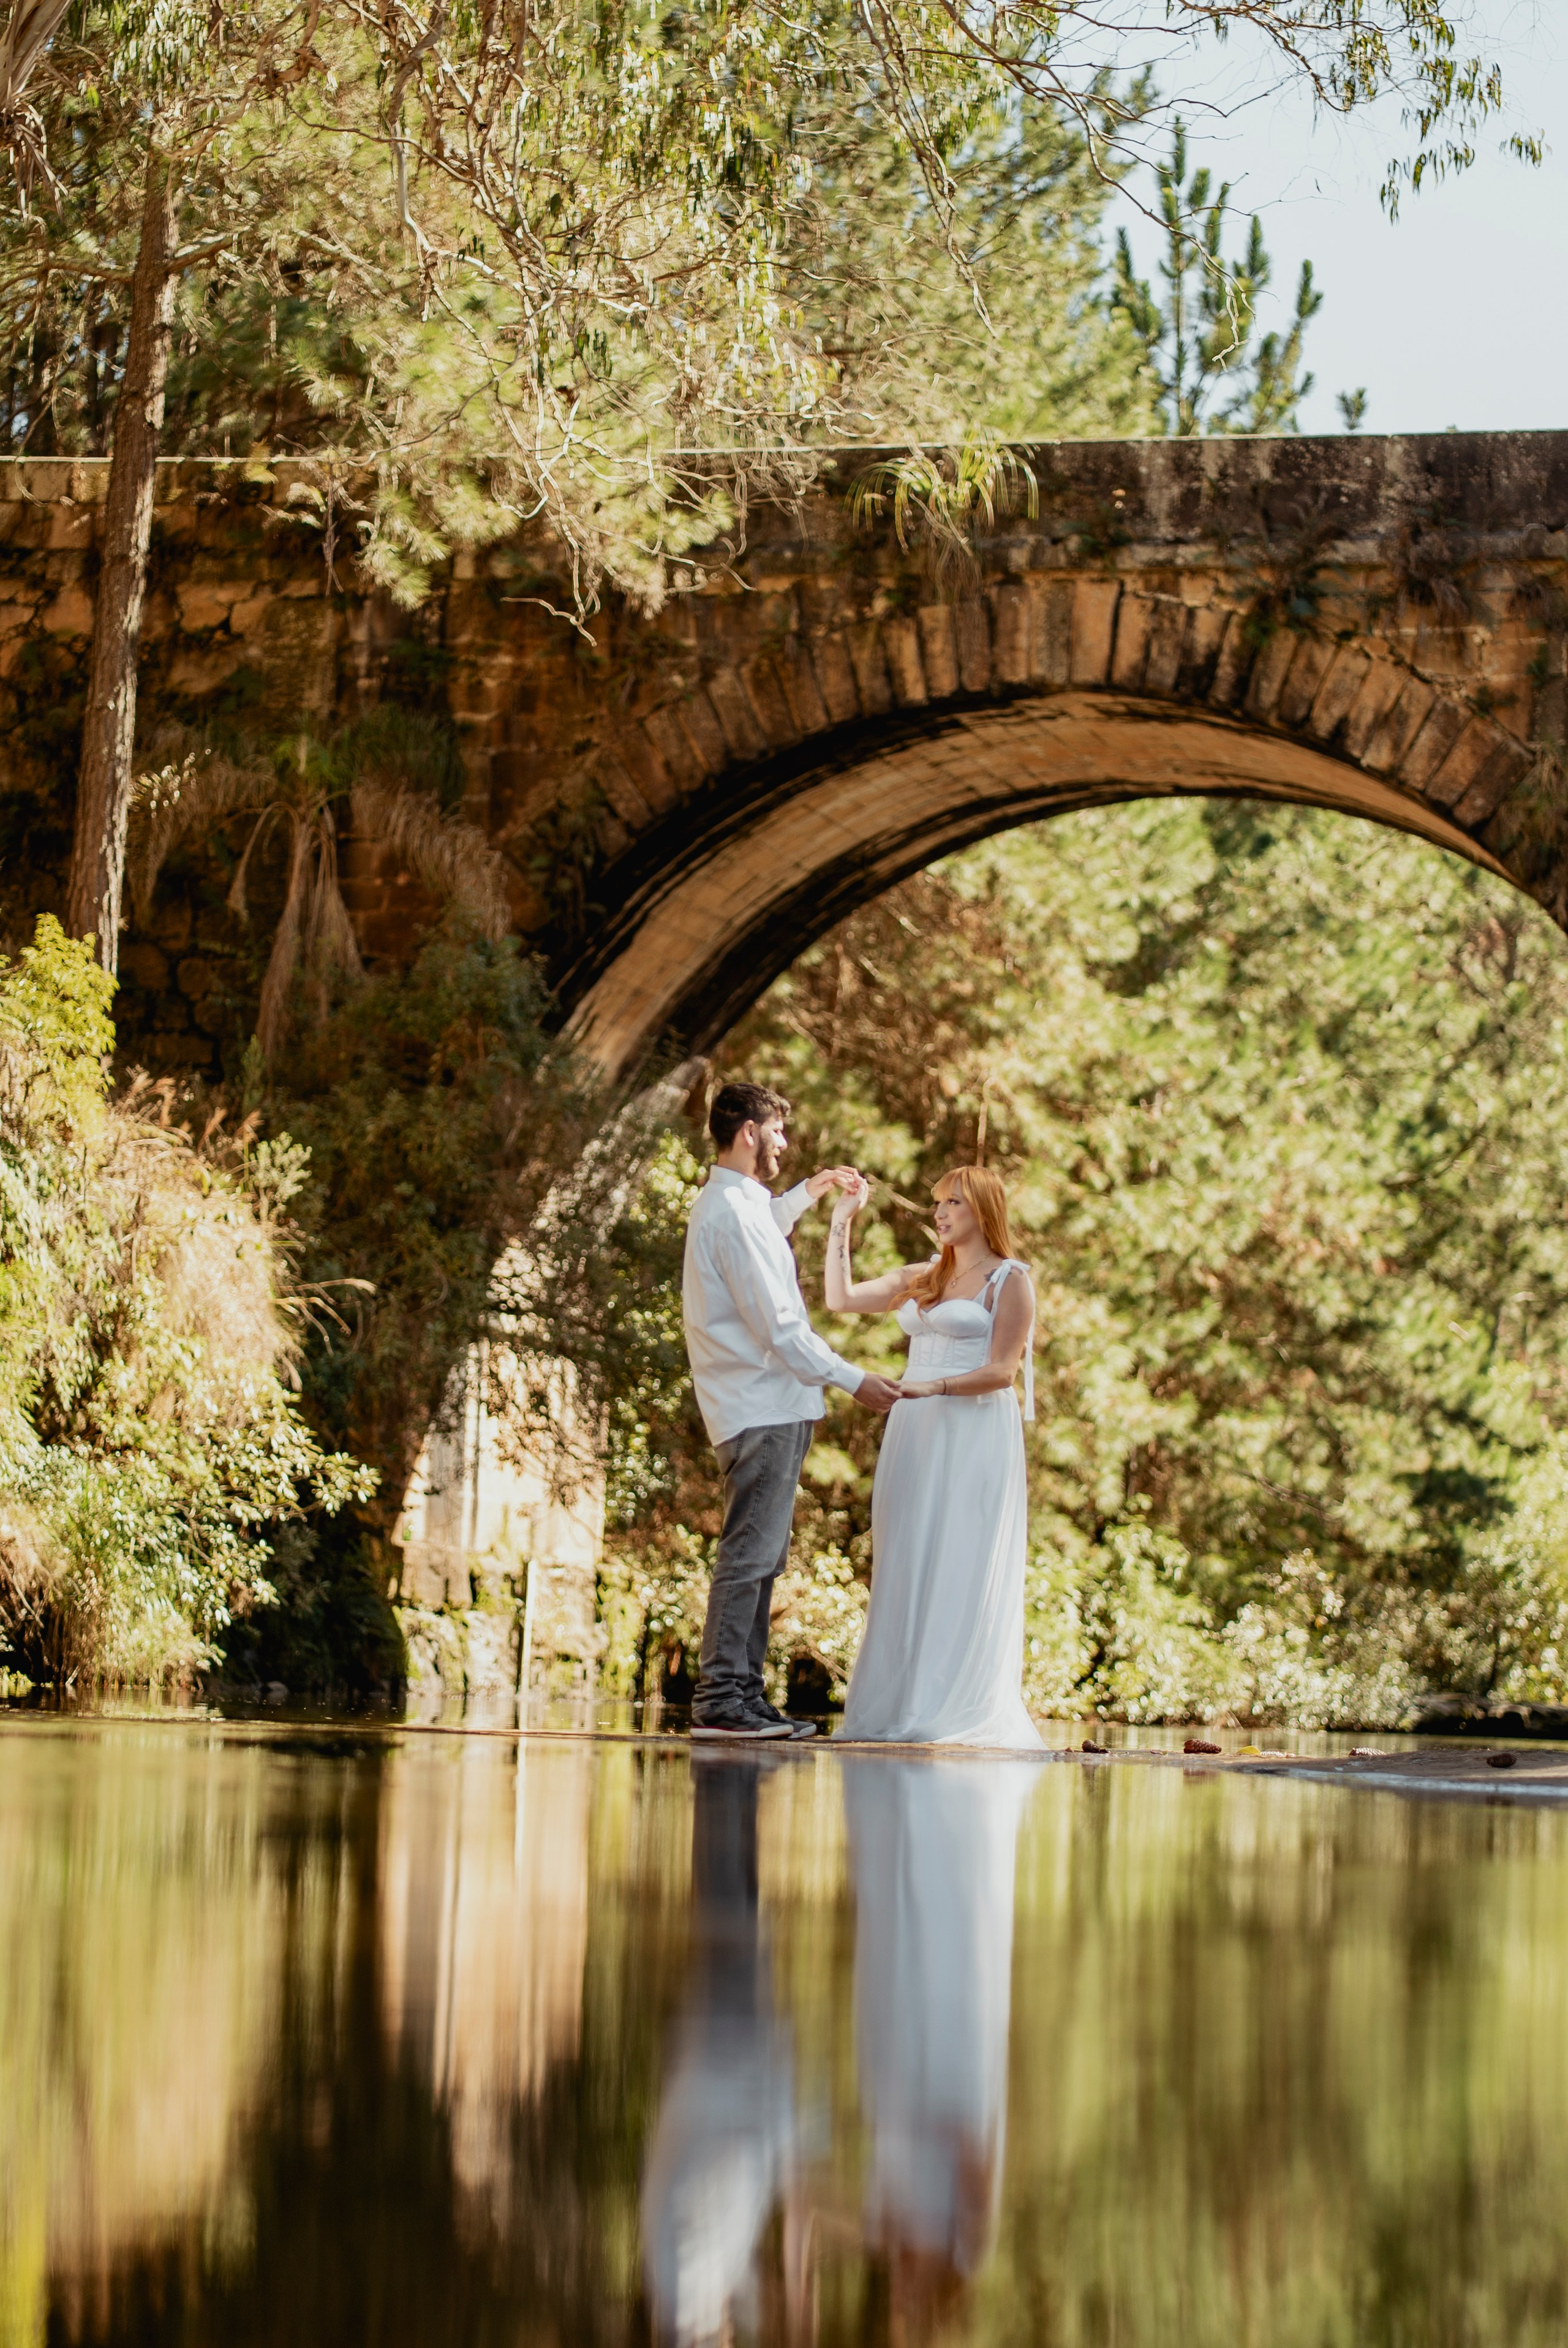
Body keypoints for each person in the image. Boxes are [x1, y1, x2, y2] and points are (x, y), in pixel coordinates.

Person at [682, 1081, 901, 1742]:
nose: (783, 1141)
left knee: (762, 1552)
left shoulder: (734, 1206)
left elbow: (763, 1224)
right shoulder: (731, 1214)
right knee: (750, 1553)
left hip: (762, 1402)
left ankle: (741, 1695)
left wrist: (809, 1192)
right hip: (762, 1403)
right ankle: (723, 1696)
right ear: (748, 1131)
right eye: (776, 1130)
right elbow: (779, 1327)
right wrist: (852, 1378)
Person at [826, 1164, 1042, 1748]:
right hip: (915, 1426)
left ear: (983, 1211)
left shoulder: (1010, 1280)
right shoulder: (925, 1274)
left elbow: (1001, 1371)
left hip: (970, 1429)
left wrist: (934, 1387)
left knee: (957, 1557)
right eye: (939, 1202)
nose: (942, 1213)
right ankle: (894, 1703)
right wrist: (841, 1223)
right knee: (906, 1553)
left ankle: (946, 1704)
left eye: (954, 1203)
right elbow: (840, 1299)